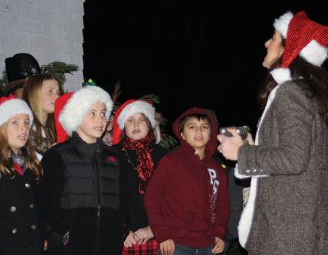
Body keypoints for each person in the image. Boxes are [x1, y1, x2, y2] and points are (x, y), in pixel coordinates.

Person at [217, 11, 328, 254]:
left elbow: (294, 158)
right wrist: (253, 146)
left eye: (273, 38)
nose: (266, 43)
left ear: (288, 48)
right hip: (302, 222)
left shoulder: (291, 93)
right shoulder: (306, 91)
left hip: (291, 227)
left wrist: (242, 153)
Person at [34, 85, 127, 254]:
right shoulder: (57, 155)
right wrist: (59, 235)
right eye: (92, 113)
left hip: (108, 247)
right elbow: (43, 203)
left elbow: (124, 199)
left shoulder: (114, 157)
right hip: (70, 248)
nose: (100, 120)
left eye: (103, 113)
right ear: (77, 115)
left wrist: (120, 231)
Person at [144, 107, 230, 255]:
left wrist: (219, 234)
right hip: (176, 243)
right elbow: (152, 199)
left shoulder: (216, 169)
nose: (199, 131)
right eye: (192, 127)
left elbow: (223, 206)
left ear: (211, 133)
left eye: (204, 127)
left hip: (209, 244)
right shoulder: (170, 162)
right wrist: (162, 234)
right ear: (182, 134)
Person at [112, 99, 169, 255]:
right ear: (124, 127)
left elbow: (173, 199)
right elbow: (105, 198)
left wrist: (154, 229)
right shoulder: (110, 155)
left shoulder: (165, 157)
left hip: (158, 235)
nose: (136, 124)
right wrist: (121, 231)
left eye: (141, 120)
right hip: (123, 237)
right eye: (130, 120)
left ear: (150, 124)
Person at [0, 95, 43, 254]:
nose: (23, 128)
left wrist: (43, 234)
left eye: (26, 122)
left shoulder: (32, 164)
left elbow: (39, 206)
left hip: (32, 246)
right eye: (15, 122)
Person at [23, 74, 61, 156]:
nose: (57, 96)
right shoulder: (24, 130)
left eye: (58, 92)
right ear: (34, 94)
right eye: (50, 91)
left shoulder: (59, 126)